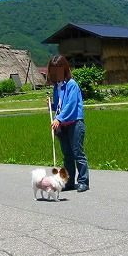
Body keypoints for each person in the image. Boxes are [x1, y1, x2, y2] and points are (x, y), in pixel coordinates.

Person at [47, 55, 90, 192]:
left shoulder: (72, 84)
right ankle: (69, 182)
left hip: (75, 123)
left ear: (64, 69)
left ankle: (83, 182)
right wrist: (51, 106)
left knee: (78, 153)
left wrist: (58, 119)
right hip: (62, 125)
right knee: (67, 155)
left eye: (58, 70)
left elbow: (71, 105)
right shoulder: (56, 87)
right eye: (53, 70)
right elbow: (60, 106)